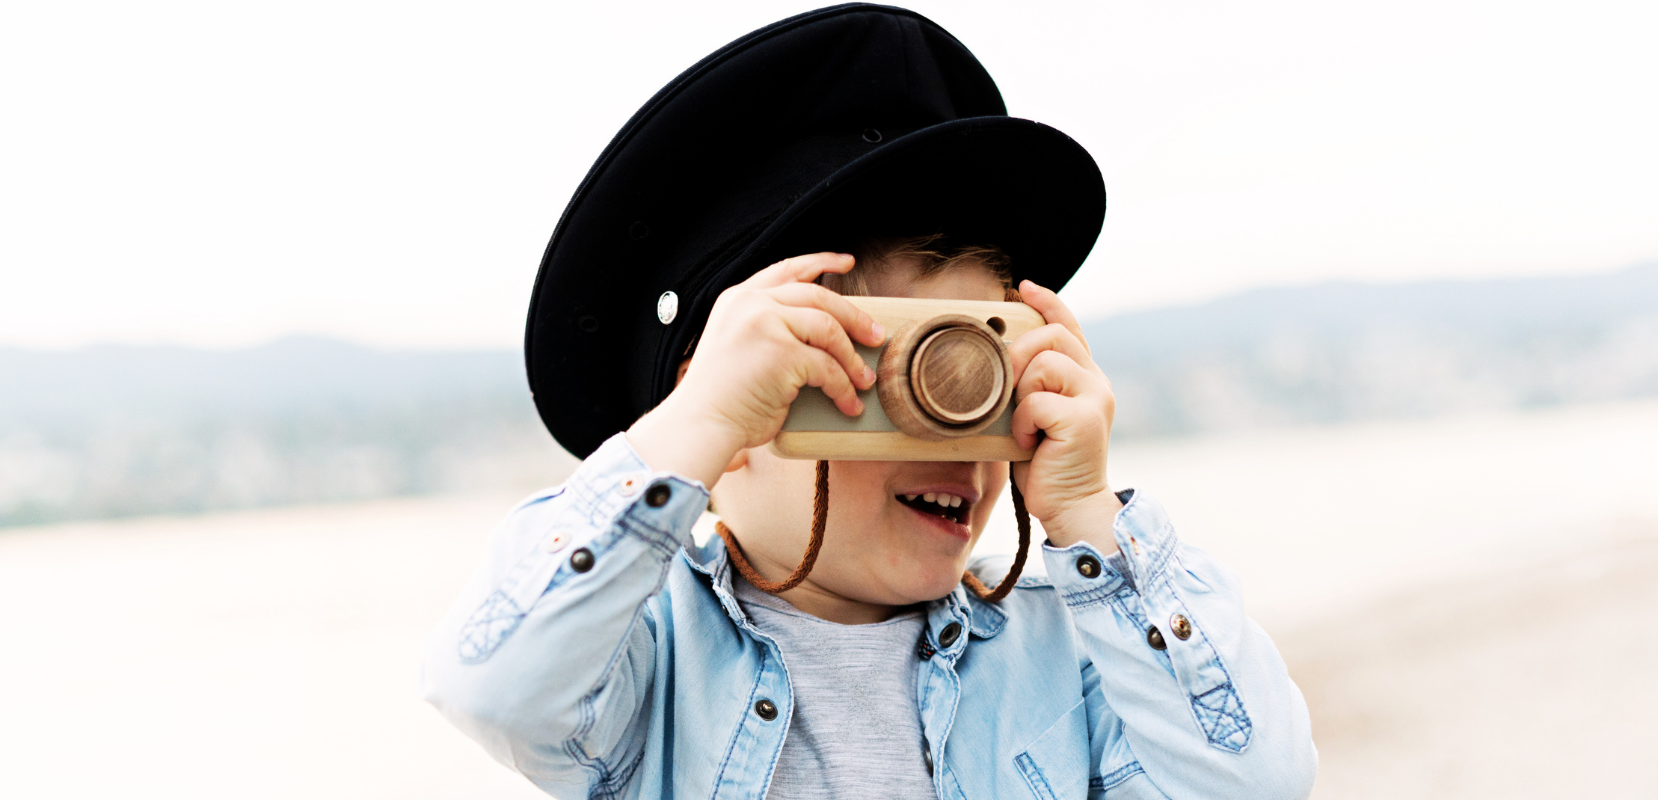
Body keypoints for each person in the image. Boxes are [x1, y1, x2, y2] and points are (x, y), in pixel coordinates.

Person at [421, 6, 1316, 799]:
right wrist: (690, 427)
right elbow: (489, 685)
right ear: (731, 425)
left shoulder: (1070, 657)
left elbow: (1256, 781)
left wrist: (1088, 518)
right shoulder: (649, 670)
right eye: (877, 367)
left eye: (979, 368)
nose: (955, 427)